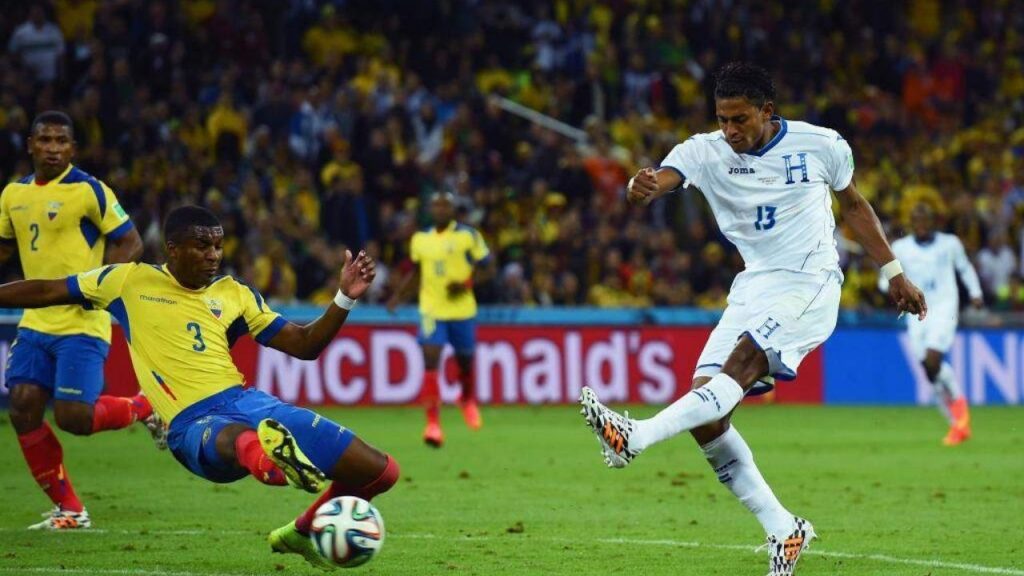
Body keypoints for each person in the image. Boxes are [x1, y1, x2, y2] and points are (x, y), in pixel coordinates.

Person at [578, 63, 927, 576]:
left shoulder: (821, 144)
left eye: (739, 119)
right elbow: (662, 178)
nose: (730, 130)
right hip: (753, 286)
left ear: (767, 111)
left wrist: (893, 272)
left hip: (809, 282)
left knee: (739, 367)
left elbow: (853, 205)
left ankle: (636, 436)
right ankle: (785, 529)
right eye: (722, 119)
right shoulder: (704, 151)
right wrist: (641, 185)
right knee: (706, 414)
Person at [0, 205, 399, 569]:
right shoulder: (127, 280)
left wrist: (344, 297)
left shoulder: (236, 294)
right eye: (202, 246)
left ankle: (301, 528)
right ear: (172, 249)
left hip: (250, 403)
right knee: (243, 439)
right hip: (191, 423)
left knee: (380, 472)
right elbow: (48, 289)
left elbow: (305, 345)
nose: (213, 255)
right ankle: (275, 463)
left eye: (218, 246)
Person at [0, 110, 159, 530]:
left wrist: (97, 285)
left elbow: (131, 242)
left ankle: (145, 406)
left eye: (61, 141)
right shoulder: (12, 194)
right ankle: (69, 509)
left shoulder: (90, 190)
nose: (52, 148)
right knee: (23, 407)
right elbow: (4, 248)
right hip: (35, 322)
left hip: (81, 323)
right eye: (45, 140)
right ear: (30, 145)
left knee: (74, 418)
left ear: (72, 148)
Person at [388, 192, 490, 447]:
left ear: (453, 209)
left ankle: (466, 398)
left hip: (462, 310)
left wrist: (466, 284)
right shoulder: (420, 240)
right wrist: (398, 296)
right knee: (430, 360)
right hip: (431, 310)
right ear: (431, 210)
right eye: (436, 206)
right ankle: (432, 423)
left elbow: (488, 267)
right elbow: (417, 273)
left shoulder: (468, 236)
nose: (440, 210)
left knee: (465, 361)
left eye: (445, 205)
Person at [881, 203, 981, 445]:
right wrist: (888, 287)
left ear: (933, 222)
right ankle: (957, 424)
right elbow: (886, 279)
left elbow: (965, 268)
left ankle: (960, 419)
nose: (921, 225)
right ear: (911, 224)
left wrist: (976, 292)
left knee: (933, 359)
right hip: (916, 312)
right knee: (929, 369)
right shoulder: (900, 248)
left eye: (925, 220)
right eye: (916, 221)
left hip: (944, 308)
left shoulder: (950, 243)